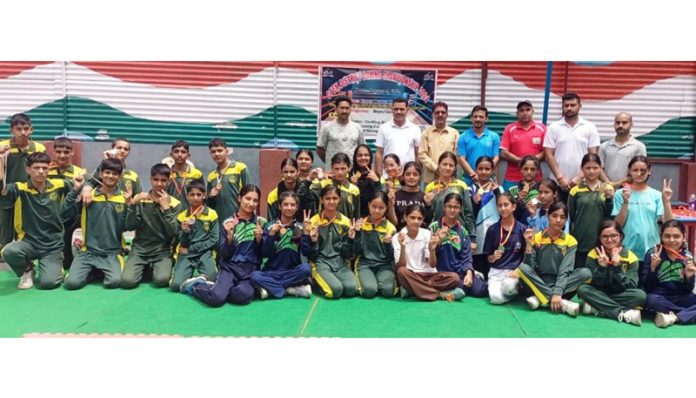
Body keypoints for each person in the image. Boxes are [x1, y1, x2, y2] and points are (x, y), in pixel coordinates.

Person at [180, 185, 266, 306]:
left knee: (242, 297)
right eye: (248, 198)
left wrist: (259, 240)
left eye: (255, 200)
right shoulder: (227, 223)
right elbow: (223, 254)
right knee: (216, 299)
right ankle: (197, 285)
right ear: (239, 198)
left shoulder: (261, 223)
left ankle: (219, 287)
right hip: (229, 268)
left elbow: (265, 253)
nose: (251, 203)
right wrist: (229, 240)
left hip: (250, 271)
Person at [0, 152, 72, 289]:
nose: (41, 171)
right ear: (28, 169)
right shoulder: (19, 188)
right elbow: (2, 190)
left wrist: (85, 187)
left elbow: (82, 184)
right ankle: (27, 270)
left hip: (53, 245)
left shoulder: (59, 185)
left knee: (49, 283)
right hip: (29, 243)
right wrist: (1, 161)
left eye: (44, 168)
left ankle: (55, 268)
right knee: (8, 251)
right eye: (36, 168)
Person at [62, 158, 129, 290]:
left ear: (120, 177)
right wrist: (76, 190)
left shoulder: (124, 198)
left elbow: (128, 226)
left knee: (113, 282)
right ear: (100, 174)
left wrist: (130, 206)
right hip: (88, 252)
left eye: (115, 173)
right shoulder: (88, 195)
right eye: (107, 172)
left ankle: (96, 271)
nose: (110, 176)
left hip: (112, 253)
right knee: (71, 283)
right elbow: (65, 213)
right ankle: (87, 263)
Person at [516, 202, 592, 316]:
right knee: (522, 268)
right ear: (548, 216)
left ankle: (541, 298)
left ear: (566, 220)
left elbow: (565, 269)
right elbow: (530, 267)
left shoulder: (571, 241)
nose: (558, 220)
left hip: (561, 282)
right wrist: (528, 245)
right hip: (539, 281)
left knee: (586, 273)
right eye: (554, 216)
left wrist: (557, 291)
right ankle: (561, 302)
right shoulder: (536, 237)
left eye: (562, 217)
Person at [121, 163, 182, 289]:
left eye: (163, 180)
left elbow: (174, 232)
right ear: (150, 180)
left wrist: (166, 209)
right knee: (127, 282)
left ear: (169, 182)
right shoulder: (140, 200)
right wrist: (132, 205)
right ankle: (146, 268)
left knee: (161, 281)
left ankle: (154, 268)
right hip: (139, 250)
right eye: (156, 179)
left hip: (162, 251)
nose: (159, 183)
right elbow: (130, 226)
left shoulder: (175, 204)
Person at [577, 220, 645, 326]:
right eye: (605, 236)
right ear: (599, 238)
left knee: (640, 296)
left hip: (620, 293)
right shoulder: (593, 254)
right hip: (599, 292)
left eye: (614, 235)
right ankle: (622, 312)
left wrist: (618, 267)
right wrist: (602, 268)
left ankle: (598, 307)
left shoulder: (631, 257)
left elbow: (631, 286)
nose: (609, 240)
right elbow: (594, 284)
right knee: (583, 289)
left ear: (621, 236)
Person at [393, 204, 464, 302]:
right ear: (405, 217)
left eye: (419, 218)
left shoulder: (426, 233)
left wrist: (431, 250)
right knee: (401, 272)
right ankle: (441, 294)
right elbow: (401, 266)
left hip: (429, 275)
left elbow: (432, 265)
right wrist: (403, 247)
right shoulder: (397, 237)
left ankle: (413, 290)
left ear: (423, 220)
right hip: (411, 274)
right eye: (412, 218)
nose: (416, 221)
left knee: (454, 278)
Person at [251, 191, 312, 299]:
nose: (289, 208)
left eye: (293, 205)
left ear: (297, 207)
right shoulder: (270, 226)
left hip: (292, 271)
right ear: (279, 206)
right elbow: (265, 254)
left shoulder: (300, 227)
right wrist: (271, 235)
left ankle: (272, 290)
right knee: (255, 276)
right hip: (272, 272)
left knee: (306, 269)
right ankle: (289, 290)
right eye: (286, 204)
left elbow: (306, 253)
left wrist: (306, 234)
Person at [612, 156, 674, 262]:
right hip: (627, 250)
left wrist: (666, 201)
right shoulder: (620, 194)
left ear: (649, 172)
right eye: (635, 170)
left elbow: (669, 224)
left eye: (643, 170)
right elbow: (617, 226)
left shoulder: (657, 195)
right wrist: (625, 202)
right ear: (629, 172)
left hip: (652, 251)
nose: (639, 173)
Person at [0, 113, 46, 252]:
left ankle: (26, 253)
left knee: (27, 226)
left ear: (32, 129)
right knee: (5, 225)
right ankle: (4, 252)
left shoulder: (39, 148)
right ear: (11, 131)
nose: (23, 132)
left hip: (28, 194)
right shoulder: (3, 146)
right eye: (18, 129)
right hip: (6, 193)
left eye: (26, 128)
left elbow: (42, 171)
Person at [302, 184, 357, 299]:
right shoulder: (314, 221)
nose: (331, 201)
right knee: (336, 291)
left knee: (351, 289)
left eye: (334, 198)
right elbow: (309, 254)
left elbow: (348, 254)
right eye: (327, 198)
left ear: (339, 200)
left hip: (340, 263)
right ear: (321, 200)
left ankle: (332, 278)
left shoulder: (346, 221)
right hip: (321, 262)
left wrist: (351, 240)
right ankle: (313, 282)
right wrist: (312, 241)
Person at [543, 92, 600, 198]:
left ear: (580, 106)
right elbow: (548, 155)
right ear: (562, 107)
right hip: (558, 183)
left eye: (573, 105)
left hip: (583, 182)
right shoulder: (553, 127)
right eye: (566, 105)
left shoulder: (589, 127)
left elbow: (593, 157)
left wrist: (581, 176)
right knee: (558, 213)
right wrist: (560, 178)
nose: (569, 108)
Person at [430, 193, 488, 297]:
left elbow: (466, 256)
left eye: (456, 207)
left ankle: (474, 276)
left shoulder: (463, 231)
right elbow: (429, 254)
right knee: (459, 284)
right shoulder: (434, 228)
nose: (452, 210)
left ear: (460, 209)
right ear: (444, 207)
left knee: (480, 290)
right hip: (441, 272)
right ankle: (451, 289)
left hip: (459, 271)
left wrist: (469, 273)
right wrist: (438, 241)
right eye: (449, 206)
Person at [641, 220, 696, 328]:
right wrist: (653, 268)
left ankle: (673, 317)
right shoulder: (653, 253)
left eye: (676, 236)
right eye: (667, 236)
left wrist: (688, 277)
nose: (671, 240)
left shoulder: (687, 256)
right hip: (659, 297)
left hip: (681, 296)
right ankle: (687, 314)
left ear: (683, 237)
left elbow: (688, 290)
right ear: (661, 236)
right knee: (649, 300)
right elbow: (647, 287)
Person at [169, 181, 219, 292]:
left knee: (213, 281)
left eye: (199, 194)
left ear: (204, 195)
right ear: (187, 196)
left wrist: (192, 249)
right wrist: (185, 232)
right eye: (192, 194)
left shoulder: (211, 214)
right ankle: (198, 280)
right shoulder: (182, 216)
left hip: (204, 253)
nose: (195, 198)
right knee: (176, 285)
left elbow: (214, 240)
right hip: (186, 255)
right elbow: (182, 242)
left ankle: (195, 280)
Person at [568, 153, 614, 268]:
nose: (591, 171)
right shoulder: (575, 191)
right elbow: (570, 217)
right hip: (580, 241)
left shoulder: (607, 189)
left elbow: (609, 216)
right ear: (582, 169)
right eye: (588, 168)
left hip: (601, 242)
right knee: (580, 275)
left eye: (595, 168)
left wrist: (609, 199)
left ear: (600, 169)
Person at [48, 136, 86, 270]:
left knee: (68, 264)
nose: (62, 155)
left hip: (72, 217)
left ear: (72, 152)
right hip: (51, 217)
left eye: (66, 152)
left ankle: (78, 245)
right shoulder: (45, 171)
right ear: (53, 152)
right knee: (61, 261)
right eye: (58, 152)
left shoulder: (79, 172)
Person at [424, 152, 476, 248]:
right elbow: (428, 217)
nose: (447, 168)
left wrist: (472, 237)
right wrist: (427, 205)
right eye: (444, 164)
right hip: (438, 233)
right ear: (439, 165)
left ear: (455, 168)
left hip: (459, 232)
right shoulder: (430, 187)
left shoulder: (461, 185)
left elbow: (469, 213)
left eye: (451, 165)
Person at [483, 193, 527, 304]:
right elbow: (488, 258)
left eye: (506, 205)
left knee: (508, 286)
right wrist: (493, 256)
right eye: (500, 205)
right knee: (495, 299)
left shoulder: (522, 229)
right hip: (496, 272)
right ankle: (511, 294)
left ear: (514, 207)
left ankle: (514, 288)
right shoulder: (492, 230)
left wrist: (518, 271)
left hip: (513, 272)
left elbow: (526, 256)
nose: (503, 208)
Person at [352, 191, 397, 298]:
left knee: (388, 291)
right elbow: (355, 251)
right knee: (369, 291)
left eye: (381, 207)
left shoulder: (391, 228)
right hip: (364, 264)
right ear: (368, 205)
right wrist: (357, 234)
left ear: (386, 207)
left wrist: (387, 244)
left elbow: (392, 257)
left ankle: (379, 281)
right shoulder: (360, 224)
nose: (377, 210)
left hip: (384, 266)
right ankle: (370, 281)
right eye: (374, 206)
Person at [499, 100, 546, 190]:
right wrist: (521, 161)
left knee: (534, 203)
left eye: (527, 110)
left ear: (532, 112)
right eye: (521, 110)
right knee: (510, 202)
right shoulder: (509, 128)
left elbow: (546, 151)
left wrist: (530, 162)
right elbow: (504, 152)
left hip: (535, 178)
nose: (525, 113)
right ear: (517, 113)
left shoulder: (542, 128)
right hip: (512, 178)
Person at [300, 152, 360, 220]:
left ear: (349, 168)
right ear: (332, 168)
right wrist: (310, 178)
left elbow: (356, 215)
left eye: (343, 168)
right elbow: (302, 194)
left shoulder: (354, 190)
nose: (340, 172)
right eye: (336, 169)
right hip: (323, 227)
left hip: (345, 228)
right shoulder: (323, 184)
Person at [469, 156, 502, 276]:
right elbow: (468, 214)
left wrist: (497, 191)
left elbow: (504, 210)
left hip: (494, 233)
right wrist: (474, 203)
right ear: (475, 169)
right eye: (480, 168)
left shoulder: (499, 189)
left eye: (487, 169)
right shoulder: (470, 190)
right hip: (477, 233)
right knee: (478, 267)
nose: (484, 172)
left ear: (493, 170)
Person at [206, 137, 250, 222]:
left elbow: (249, 195)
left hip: (238, 220)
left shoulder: (240, 168)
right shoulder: (211, 176)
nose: (217, 154)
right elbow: (209, 205)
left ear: (226, 151)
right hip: (218, 223)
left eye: (220, 150)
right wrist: (210, 196)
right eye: (213, 152)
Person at [599, 112, 647, 188]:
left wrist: (618, 183)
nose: (620, 125)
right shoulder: (604, 146)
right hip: (607, 190)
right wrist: (609, 184)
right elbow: (599, 168)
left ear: (631, 125)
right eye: (618, 123)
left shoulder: (639, 146)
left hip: (630, 191)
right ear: (614, 125)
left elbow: (640, 172)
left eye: (624, 123)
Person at [375, 98, 421, 177]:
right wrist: (380, 176)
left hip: (408, 176)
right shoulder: (383, 128)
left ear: (407, 110)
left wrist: (417, 173)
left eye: (402, 109)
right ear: (392, 110)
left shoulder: (415, 129)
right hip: (388, 175)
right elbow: (379, 153)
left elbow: (418, 154)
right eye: (396, 109)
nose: (398, 112)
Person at [456, 105, 500, 185]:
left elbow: (496, 157)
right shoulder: (463, 137)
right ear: (471, 118)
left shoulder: (494, 137)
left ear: (486, 119)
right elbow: (461, 159)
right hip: (469, 180)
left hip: (489, 181)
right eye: (475, 116)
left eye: (481, 117)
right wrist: (473, 174)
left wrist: (486, 173)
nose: (478, 119)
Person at [418, 101, 459, 184]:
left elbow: (457, 154)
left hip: (449, 177)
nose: (440, 115)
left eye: (443, 112)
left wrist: (447, 168)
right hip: (430, 178)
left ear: (447, 115)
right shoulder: (426, 133)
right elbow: (422, 154)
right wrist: (436, 168)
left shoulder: (454, 133)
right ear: (433, 115)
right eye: (437, 112)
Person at [317, 96, 365, 165]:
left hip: (352, 171)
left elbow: (362, 149)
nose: (344, 111)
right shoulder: (327, 127)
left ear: (350, 109)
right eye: (342, 108)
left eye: (347, 108)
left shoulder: (357, 128)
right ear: (336, 109)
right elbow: (319, 149)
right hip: (332, 171)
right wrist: (330, 162)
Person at [165, 140, 204, 209]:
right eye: (176, 151)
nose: (179, 155)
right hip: (170, 215)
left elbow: (202, 196)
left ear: (188, 155)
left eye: (183, 152)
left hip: (190, 215)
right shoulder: (166, 174)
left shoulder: (197, 174)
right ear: (171, 155)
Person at [349, 144, 385, 218]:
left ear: (371, 157)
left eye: (366, 155)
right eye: (359, 155)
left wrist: (377, 181)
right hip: (354, 218)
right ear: (355, 158)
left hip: (373, 217)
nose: (363, 158)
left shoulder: (377, 174)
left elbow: (384, 197)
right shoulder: (349, 175)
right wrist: (353, 187)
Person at [388, 161, 424, 231]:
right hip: (400, 235)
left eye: (415, 174)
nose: (411, 177)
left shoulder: (425, 197)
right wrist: (391, 204)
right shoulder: (395, 196)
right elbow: (393, 223)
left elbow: (427, 221)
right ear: (403, 176)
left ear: (420, 177)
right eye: (408, 174)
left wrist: (428, 205)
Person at [508, 155, 540, 222]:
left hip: (538, 227)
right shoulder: (513, 190)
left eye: (532, 169)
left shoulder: (541, 189)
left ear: (537, 171)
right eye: (526, 169)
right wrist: (519, 200)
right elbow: (509, 214)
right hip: (518, 228)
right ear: (521, 170)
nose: (529, 172)